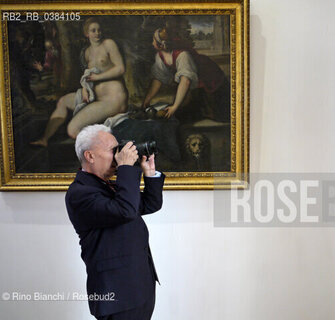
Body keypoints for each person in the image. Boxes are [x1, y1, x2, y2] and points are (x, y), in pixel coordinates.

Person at [65, 124, 165, 320]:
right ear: (90, 156)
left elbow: (149, 204)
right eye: (113, 151)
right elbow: (125, 210)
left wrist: (150, 173)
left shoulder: (108, 185)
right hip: (116, 294)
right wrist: (126, 168)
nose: (118, 155)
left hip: (139, 286)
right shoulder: (79, 193)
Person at [31, 18, 127, 147]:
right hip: (95, 96)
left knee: (72, 130)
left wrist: (98, 78)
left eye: (99, 30)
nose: (97, 33)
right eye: (93, 31)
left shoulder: (108, 44)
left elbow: (120, 68)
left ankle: (107, 147)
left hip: (112, 100)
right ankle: (45, 139)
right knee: (63, 101)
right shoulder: (86, 52)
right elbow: (88, 76)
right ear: (86, 34)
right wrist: (84, 89)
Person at [142, 28, 230, 123]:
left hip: (210, 77)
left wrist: (175, 106)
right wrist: (147, 99)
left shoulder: (183, 55)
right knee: (187, 111)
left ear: (161, 44)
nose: (152, 43)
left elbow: (185, 81)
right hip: (196, 83)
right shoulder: (160, 55)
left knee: (217, 113)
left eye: (153, 40)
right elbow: (158, 79)